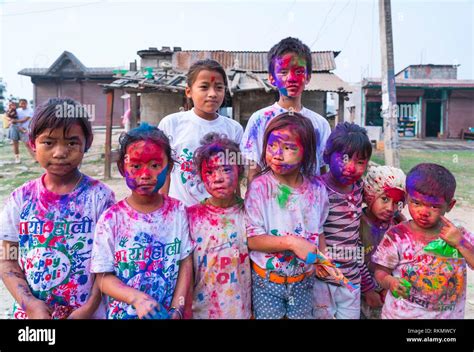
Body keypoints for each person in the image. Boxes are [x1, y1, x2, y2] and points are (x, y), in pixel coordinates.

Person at [0, 97, 115, 319]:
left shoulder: (101, 198)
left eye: (72, 142)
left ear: (87, 142)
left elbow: (108, 264)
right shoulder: (20, 199)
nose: (60, 153)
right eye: (49, 142)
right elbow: (7, 258)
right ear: (33, 144)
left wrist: (89, 308)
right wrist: (30, 303)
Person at [91, 123, 194, 319]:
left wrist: (177, 309)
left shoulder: (178, 211)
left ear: (169, 167)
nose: (145, 175)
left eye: (155, 166)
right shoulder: (111, 219)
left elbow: (185, 263)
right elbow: (103, 278)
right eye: (136, 166)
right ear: (123, 167)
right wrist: (137, 299)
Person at [245, 112, 329, 319]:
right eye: (271, 145)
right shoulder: (259, 188)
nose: (277, 154)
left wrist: (323, 260)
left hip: (304, 281)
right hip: (267, 281)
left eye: (289, 148)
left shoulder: (317, 190)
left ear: (307, 152)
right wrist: (292, 243)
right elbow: (252, 240)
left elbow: (319, 231)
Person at [373, 163, 474, 319]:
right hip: (400, 315)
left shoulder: (458, 234)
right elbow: (380, 271)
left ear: (450, 205)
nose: (423, 212)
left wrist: (460, 243)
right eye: (416, 203)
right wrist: (390, 282)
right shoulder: (397, 236)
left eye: (434, 206)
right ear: (407, 198)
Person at [240, 37, 331, 184]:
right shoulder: (259, 120)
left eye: (299, 71)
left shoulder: (320, 124)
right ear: (272, 78)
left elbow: (321, 171)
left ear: (308, 77)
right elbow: (253, 169)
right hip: (270, 202)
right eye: (283, 72)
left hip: (308, 204)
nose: (291, 78)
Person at [158, 59, 243, 206]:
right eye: (204, 87)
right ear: (189, 92)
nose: (212, 94)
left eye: (219, 88)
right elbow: (163, 171)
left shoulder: (233, 129)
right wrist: (163, 209)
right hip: (181, 212)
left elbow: (235, 174)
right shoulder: (171, 124)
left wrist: (237, 206)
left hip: (218, 215)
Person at [313, 122, 375, 319]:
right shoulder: (316, 189)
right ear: (326, 156)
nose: (351, 168)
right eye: (345, 158)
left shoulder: (359, 188)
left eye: (360, 162)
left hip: (351, 280)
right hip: (321, 280)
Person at [187, 132, 251, 319]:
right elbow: (186, 272)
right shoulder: (191, 217)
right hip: (202, 312)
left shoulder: (250, 214)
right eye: (209, 172)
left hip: (241, 312)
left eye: (225, 170)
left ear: (239, 171)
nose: (218, 178)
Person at [360, 165, 406, 319]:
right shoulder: (356, 224)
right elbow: (354, 260)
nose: (390, 208)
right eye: (385, 199)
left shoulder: (396, 226)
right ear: (369, 195)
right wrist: (368, 291)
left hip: (388, 291)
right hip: (360, 291)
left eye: (396, 202)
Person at [7, 99, 35, 163]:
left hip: (24, 129)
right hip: (15, 128)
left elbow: (24, 120)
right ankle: (17, 158)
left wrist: (14, 121)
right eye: (21, 103)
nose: (22, 105)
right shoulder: (17, 110)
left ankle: (35, 157)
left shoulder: (30, 111)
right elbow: (10, 116)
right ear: (19, 104)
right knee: (15, 143)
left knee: (28, 143)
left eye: (24, 103)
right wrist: (10, 120)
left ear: (26, 103)